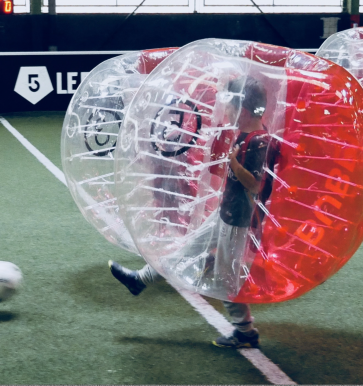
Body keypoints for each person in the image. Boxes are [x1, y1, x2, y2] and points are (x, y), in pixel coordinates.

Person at [109, 76, 272, 349]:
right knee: (188, 249)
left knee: (225, 279)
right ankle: (141, 280)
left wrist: (232, 161)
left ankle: (245, 331)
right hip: (227, 212)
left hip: (240, 220)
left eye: (229, 107)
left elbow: (256, 185)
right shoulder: (247, 135)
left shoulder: (257, 141)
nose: (226, 113)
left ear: (242, 110)